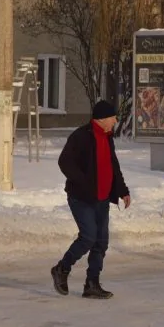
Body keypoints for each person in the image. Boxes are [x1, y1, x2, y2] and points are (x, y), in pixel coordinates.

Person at [51, 100, 131, 300]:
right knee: (88, 237)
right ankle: (62, 268)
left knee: (101, 242)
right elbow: (64, 162)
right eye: (113, 117)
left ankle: (92, 284)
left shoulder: (107, 137)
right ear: (103, 119)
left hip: (102, 198)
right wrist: (83, 182)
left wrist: (122, 190)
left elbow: (113, 166)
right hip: (82, 198)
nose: (115, 120)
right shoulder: (81, 136)